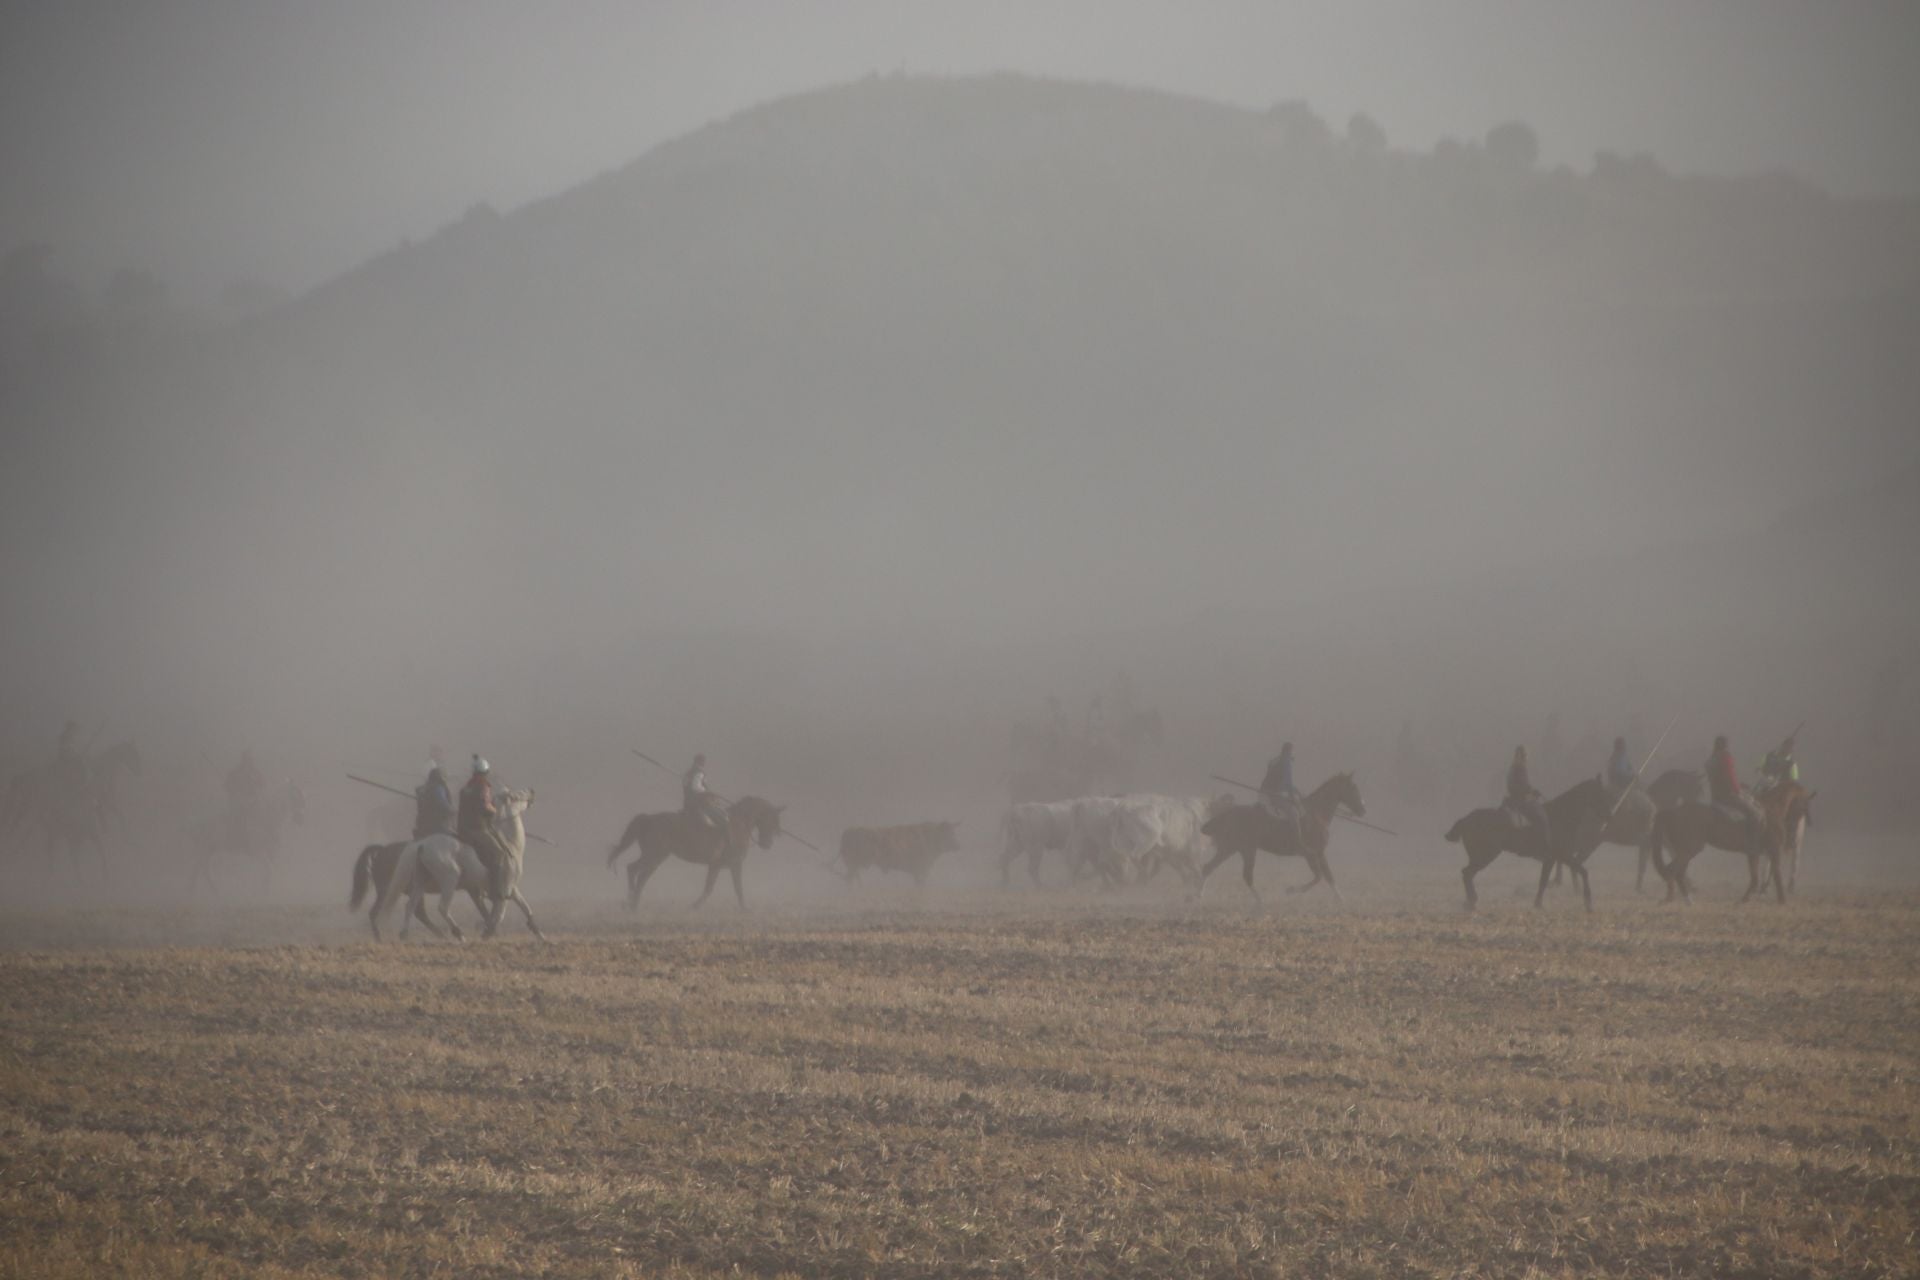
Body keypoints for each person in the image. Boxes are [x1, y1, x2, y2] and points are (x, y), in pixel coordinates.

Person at [458, 755, 510, 899]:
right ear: (485, 772)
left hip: (462, 829)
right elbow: (485, 807)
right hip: (477, 829)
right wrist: (495, 810)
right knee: (499, 853)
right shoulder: (483, 786)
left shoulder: (466, 787)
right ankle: (495, 890)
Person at [1707, 734, 1766, 853]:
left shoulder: (1711, 759)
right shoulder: (1726, 757)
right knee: (1756, 813)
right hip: (1728, 794)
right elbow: (1730, 777)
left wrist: (1738, 784)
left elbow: (1720, 777)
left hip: (1715, 795)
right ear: (1725, 745)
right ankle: (1752, 844)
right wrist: (1739, 789)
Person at [1504, 745, 1552, 858]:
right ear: (1520, 755)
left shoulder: (1515, 767)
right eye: (1524, 755)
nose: (1526, 758)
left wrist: (1532, 790)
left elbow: (1523, 784)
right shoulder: (1519, 768)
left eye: (1526, 755)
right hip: (1519, 800)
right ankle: (1543, 846)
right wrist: (1530, 792)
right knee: (1540, 818)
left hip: (1517, 798)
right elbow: (1520, 786)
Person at [1258, 741, 1304, 850]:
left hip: (1267, 791)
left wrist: (1295, 790)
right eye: (1293, 751)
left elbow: (1280, 780)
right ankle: (1298, 843)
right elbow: (1287, 782)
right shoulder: (1286, 761)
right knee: (1294, 813)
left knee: (1298, 796)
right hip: (1273, 793)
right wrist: (1293, 796)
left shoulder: (1276, 760)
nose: (1294, 754)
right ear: (1289, 751)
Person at [683, 754, 726, 843]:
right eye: (703, 761)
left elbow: (686, 785)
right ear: (701, 762)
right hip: (699, 802)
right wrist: (708, 792)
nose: (704, 763)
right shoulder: (699, 772)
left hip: (688, 802)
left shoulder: (688, 772)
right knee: (722, 818)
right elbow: (695, 787)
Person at [225, 749, 264, 849]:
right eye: (247, 759)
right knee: (240, 817)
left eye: (250, 759)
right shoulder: (236, 772)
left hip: (254, 801)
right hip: (239, 802)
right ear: (243, 760)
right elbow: (227, 785)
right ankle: (240, 840)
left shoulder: (255, 772)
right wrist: (235, 792)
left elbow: (263, 783)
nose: (249, 762)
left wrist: (258, 787)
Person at [413, 757, 454, 840]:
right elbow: (444, 806)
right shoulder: (437, 788)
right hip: (439, 826)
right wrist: (454, 811)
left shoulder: (421, 790)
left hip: (421, 826)